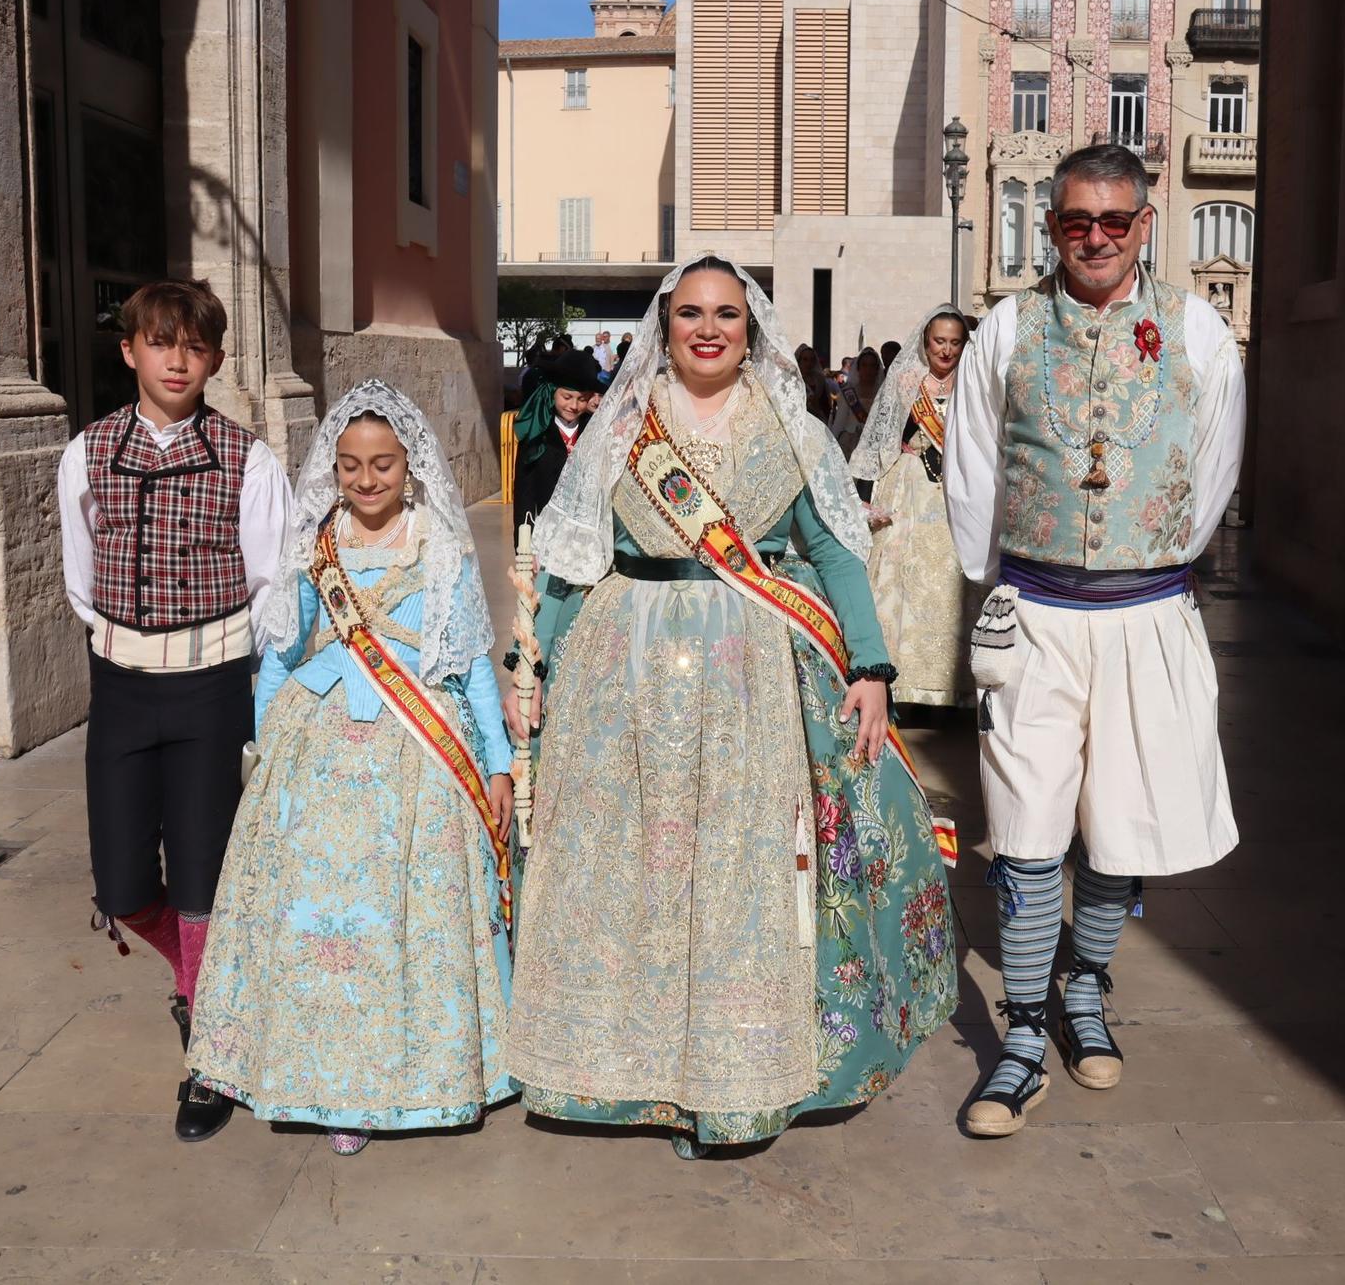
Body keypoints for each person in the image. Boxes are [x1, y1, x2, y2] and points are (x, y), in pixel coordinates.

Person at [505, 254, 957, 1160]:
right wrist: (534, 663)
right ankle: (612, 1071)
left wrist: (869, 663)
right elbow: (575, 556)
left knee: (736, 871)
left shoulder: (794, 428)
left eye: (727, 314)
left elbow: (834, 552)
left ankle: (731, 1080)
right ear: (663, 327)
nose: (707, 330)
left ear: (752, 328)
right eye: (689, 315)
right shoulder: (620, 425)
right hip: (618, 670)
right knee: (625, 864)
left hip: (748, 670)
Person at [943, 143, 1244, 1137]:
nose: (1095, 237)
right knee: (1025, 822)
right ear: (1053, 225)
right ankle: (1022, 1032)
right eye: (1076, 221)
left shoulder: (1198, 332)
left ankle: (1084, 983)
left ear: (1144, 223)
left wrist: (1143, 560)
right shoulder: (1004, 329)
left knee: (1122, 817)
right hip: (1034, 607)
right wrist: (1007, 589)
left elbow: (1208, 474)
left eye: (1114, 220)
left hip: (1144, 607)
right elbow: (974, 471)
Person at [187, 380, 515, 1157]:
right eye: (350, 467)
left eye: (384, 466)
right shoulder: (314, 546)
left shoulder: (440, 546)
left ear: (411, 466)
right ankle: (331, 1077)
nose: (367, 481)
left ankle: (421, 1072)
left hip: (419, 749)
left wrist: (496, 765)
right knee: (324, 920)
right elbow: (280, 656)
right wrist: (264, 753)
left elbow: (469, 667)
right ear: (332, 469)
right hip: (319, 744)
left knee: (407, 918)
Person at [57, 277, 294, 1142]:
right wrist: (127, 644)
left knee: (201, 875)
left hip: (212, 685)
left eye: (194, 347)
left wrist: (249, 687)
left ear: (215, 361)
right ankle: (203, 981)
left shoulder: (248, 458)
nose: (176, 360)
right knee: (122, 884)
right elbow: (82, 579)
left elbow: (273, 585)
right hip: (121, 685)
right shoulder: (84, 455)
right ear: (129, 351)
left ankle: (211, 1051)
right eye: (160, 343)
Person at [848, 305, 980, 708]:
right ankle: (901, 686)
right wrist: (868, 496)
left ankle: (954, 686)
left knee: (953, 582)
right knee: (904, 580)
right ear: (925, 342)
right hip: (909, 485)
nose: (946, 350)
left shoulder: (970, 380)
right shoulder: (906, 381)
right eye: (939, 341)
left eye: (955, 343)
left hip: (957, 489)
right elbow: (882, 438)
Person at [511, 349, 607, 531]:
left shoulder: (595, 431)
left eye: (582, 399)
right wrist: (523, 547)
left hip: (586, 534)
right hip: (546, 531)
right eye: (567, 397)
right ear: (553, 392)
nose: (573, 406)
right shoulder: (538, 433)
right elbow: (525, 494)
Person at [830, 347, 881, 458]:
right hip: (850, 444)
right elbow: (839, 421)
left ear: (877, 369)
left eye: (872, 366)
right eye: (864, 365)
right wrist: (830, 446)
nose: (868, 369)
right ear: (858, 368)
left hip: (875, 445)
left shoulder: (883, 393)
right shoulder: (848, 392)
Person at [795, 342, 834, 424]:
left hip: (816, 421)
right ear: (799, 361)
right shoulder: (794, 380)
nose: (809, 363)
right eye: (805, 359)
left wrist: (816, 405)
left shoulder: (820, 380)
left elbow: (827, 406)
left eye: (812, 360)